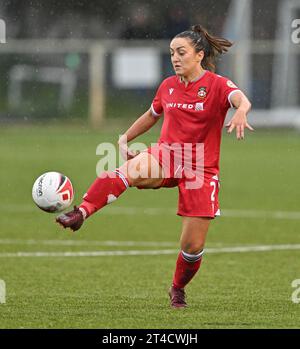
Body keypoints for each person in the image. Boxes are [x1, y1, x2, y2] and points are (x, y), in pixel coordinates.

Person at [56, 25, 253, 308]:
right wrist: (126, 137)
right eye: (172, 52)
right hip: (167, 154)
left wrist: (242, 111)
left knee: (192, 247)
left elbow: (240, 99)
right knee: (129, 171)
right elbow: (152, 114)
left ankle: (177, 288)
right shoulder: (168, 86)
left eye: (181, 52)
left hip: (200, 168)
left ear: (199, 55)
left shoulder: (217, 85)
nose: (175, 58)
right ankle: (82, 211)